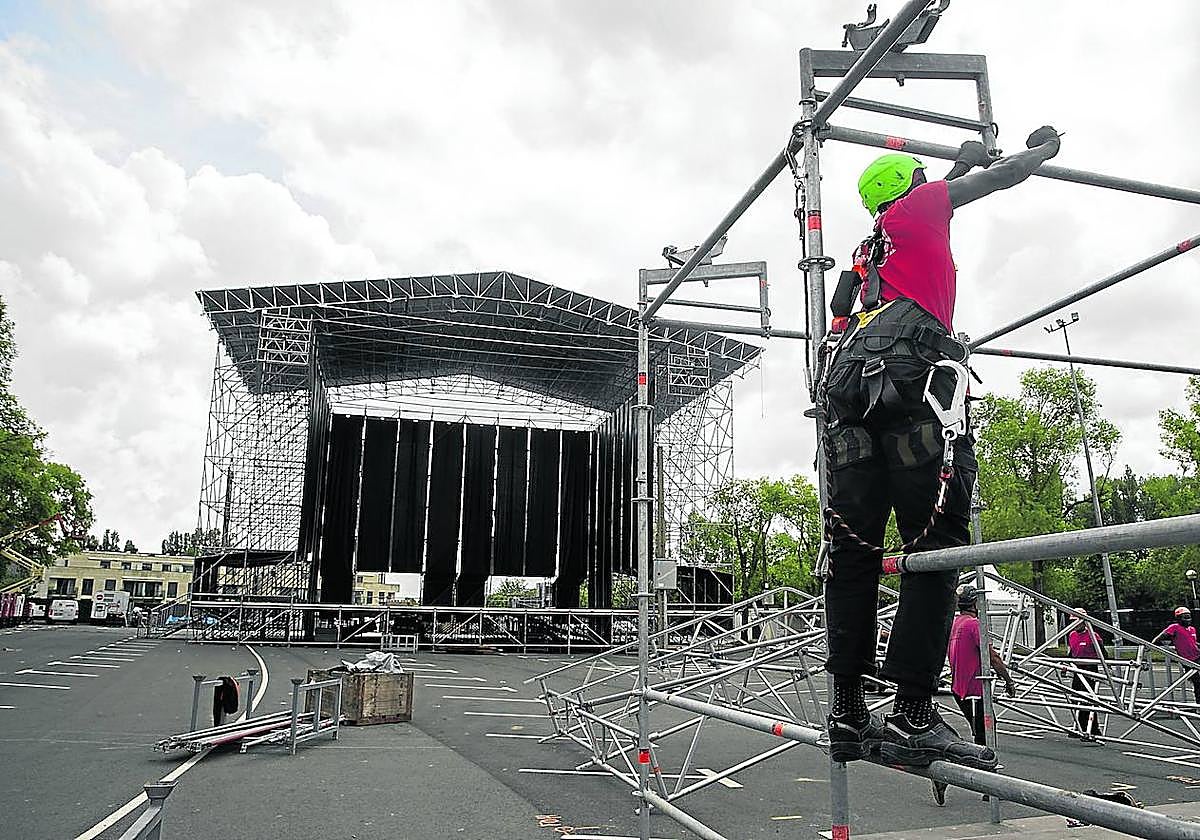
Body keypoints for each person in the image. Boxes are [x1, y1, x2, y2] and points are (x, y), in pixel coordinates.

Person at [821, 126, 1063, 769]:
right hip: (915, 405)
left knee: (854, 552)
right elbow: (987, 181)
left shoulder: (866, 255)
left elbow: (946, 183)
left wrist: (965, 158)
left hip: (852, 412)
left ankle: (846, 707)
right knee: (935, 543)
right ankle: (912, 709)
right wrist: (1037, 153)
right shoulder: (919, 211)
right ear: (911, 186)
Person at [933, 585, 1016, 805]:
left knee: (981, 735)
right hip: (973, 690)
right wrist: (1008, 680)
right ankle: (950, 775)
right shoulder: (973, 624)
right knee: (983, 737)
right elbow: (992, 657)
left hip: (961, 689)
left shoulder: (956, 624)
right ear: (974, 604)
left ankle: (984, 782)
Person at [1066, 609, 1105, 738]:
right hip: (1077, 670)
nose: (1074, 624)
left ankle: (1093, 729)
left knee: (1087, 700)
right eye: (1072, 621)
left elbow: (1103, 654)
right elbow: (1071, 654)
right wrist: (1066, 665)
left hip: (1090, 670)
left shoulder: (1093, 636)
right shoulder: (1072, 635)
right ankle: (1078, 727)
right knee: (1075, 698)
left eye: (1076, 621)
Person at [1153, 607, 1200, 704]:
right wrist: (1151, 645)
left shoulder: (1192, 629)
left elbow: (1193, 643)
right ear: (1178, 619)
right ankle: (1198, 704)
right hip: (1188, 659)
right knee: (1197, 682)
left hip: (1197, 656)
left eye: (1189, 617)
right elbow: (1161, 637)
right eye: (1185, 618)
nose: (1188, 620)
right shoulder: (1174, 627)